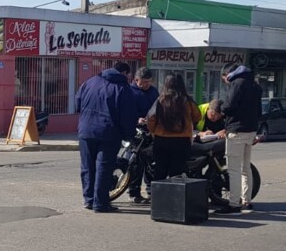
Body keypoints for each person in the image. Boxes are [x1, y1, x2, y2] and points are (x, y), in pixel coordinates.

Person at [76, 61, 139, 213]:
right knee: (104, 168)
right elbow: (128, 116)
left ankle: (89, 200)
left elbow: (78, 104)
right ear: (124, 73)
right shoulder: (123, 88)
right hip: (109, 133)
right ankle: (101, 203)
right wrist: (129, 135)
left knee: (87, 166)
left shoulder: (90, 82)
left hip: (86, 131)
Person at [216, 63, 263, 214]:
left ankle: (234, 204)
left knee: (234, 169)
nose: (225, 81)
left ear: (228, 74)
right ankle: (246, 201)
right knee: (245, 168)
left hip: (236, 131)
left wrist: (221, 108)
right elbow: (259, 111)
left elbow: (229, 106)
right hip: (251, 130)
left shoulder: (237, 83)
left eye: (224, 78)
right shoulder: (254, 84)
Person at [146, 74, 201, 182]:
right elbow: (198, 116)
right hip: (182, 141)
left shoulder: (160, 100)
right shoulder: (187, 101)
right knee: (177, 173)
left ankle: (158, 192)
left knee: (160, 170)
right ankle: (175, 193)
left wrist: (153, 131)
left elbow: (151, 118)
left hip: (161, 140)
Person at [127, 67, 160, 204]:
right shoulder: (129, 92)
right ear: (136, 80)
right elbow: (125, 111)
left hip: (151, 132)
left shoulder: (154, 92)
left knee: (151, 163)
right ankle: (134, 192)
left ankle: (151, 191)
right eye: (144, 82)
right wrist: (136, 119)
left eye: (149, 82)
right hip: (136, 132)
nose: (147, 85)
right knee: (136, 163)